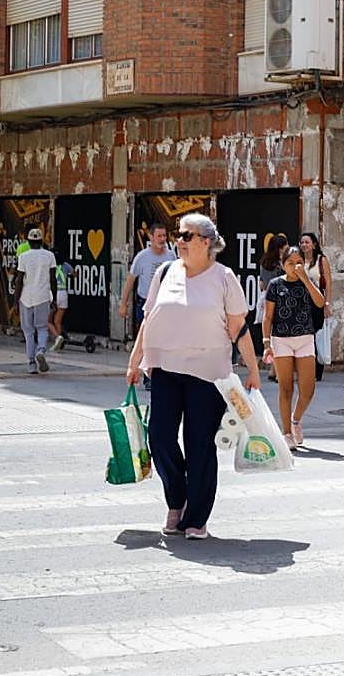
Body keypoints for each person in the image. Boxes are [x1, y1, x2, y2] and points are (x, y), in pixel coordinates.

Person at [125, 213, 259, 540]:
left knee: (199, 445)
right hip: (166, 369)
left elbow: (238, 328)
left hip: (208, 374)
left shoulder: (224, 277)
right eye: (178, 235)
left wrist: (253, 369)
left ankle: (196, 518)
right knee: (159, 437)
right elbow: (148, 319)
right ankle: (177, 499)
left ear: (206, 242)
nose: (179, 241)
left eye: (187, 236)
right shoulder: (165, 272)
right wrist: (135, 360)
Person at [262, 247, 325, 449]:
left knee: (308, 389)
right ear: (283, 264)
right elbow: (268, 316)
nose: (295, 266)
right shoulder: (275, 284)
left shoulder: (308, 281)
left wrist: (305, 279)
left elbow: (320, 302)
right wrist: (266, 342)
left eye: (299, 262)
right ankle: (287, 432)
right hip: (281, 339)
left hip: (305, 338)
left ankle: (296, 419)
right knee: (286, 388)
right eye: (291, 262)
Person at [119, 222, 175, 386]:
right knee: (147, 341)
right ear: (150, 237)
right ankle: (147, 376)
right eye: (159, 236)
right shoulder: (142, 257)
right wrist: (123, 303)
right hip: (146, 304)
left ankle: (159, 374)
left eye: (164, 236)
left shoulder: (171, 256)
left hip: (166, 304)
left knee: (164, 342)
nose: (162, 239)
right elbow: (130, 280)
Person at [14, 228, 57, 374]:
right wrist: (54, 298)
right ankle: (41, 350)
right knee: (42, 328)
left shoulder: (23, 257)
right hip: (43, 297)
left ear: (29, 241)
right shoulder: (49, 256)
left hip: (26, 297)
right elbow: (53, 279)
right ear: (41, 240)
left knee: (28, 331)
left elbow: (19, 280)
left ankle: (31, 363)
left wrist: (15, 300)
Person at [299, 232, 332, 380]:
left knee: (314, 336)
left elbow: (329, 283)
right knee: (305, 336)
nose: (304, 245)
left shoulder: (321, 260)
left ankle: (317, 371)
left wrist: (327, 304)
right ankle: (306, 370)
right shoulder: (298, 261)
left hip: (316, 303)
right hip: (301, 304)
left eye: (307, 242)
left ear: (314, 245)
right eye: (302, 242)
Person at [255, 234, 288, 380]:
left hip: (267, 300)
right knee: (280, 337)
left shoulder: (264, 262)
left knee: (273, 335)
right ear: (281, 248)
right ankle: (275, 371)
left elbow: (262, 284)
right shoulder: (281, 265)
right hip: (280, 301)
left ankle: (273, 370)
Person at [48, 260, 72, 351]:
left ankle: (57, 337)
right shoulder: (65, 265)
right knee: (57, 321)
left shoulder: (50, 265)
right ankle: (58, 343)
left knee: (47, 321)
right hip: (63, 294)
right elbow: (74, 274)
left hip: (53, 293)